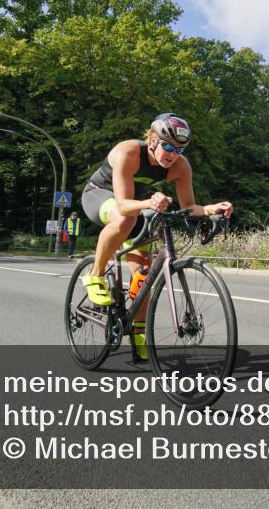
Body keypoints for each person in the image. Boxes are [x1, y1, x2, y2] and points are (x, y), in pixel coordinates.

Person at [80, 113, 233, 359]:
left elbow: (189, 206)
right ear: (152, 140)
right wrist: (150, 201)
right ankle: (95, 275)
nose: (173, 154)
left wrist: (210, 209)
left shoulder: (180, 166)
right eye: (168, 146)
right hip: (100, 195)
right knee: (125, 218)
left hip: (138, 204)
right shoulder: (128, 152)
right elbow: (122, 205)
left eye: (179, 149)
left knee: (144, 272)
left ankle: (139, 334)